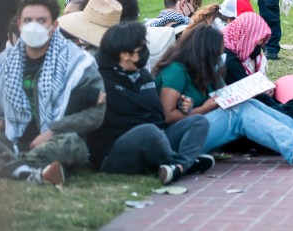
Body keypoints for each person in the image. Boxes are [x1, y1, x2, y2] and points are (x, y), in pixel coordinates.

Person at [0, 0, 105, 186]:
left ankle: (0, 166)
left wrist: (53, 130)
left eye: (41, 20)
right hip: (12, 140)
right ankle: (29, 172)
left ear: (54, 25)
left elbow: (96, 112)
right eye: (28, 20)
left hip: (53, 141)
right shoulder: (3, 65)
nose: (34, 26)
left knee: (73, 144)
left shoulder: (78, 64)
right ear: (19, 24)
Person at [153, 24, 293, 166]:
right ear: (203, 52)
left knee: (248, 105)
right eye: (217, 54)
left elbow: (219, 95)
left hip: (199, 126)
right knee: (239, 114)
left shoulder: (202, 70)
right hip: (182, 138)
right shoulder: (176, 70)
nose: (220, 59)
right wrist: (206, 107)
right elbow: (170, 116)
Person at [88, 21, 212, 184]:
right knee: (148, 132)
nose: (146, 50)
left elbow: (157, 111)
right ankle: (183, 163)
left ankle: (178, 166)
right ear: (125, 54)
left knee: (198, 122)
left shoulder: (141, 74)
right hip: (116, 151)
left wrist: (182, 104)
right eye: (141, 47)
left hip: (157, 135)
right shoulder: (100, 80)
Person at [223, 12, 293, 123]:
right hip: (242, 108)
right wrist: (264, 90)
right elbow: (246, 90)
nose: (259, 46)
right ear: (246, 36)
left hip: (253, 101)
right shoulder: (229, 59)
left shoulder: (243, 52)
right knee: (291, 109)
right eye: (257, 41)